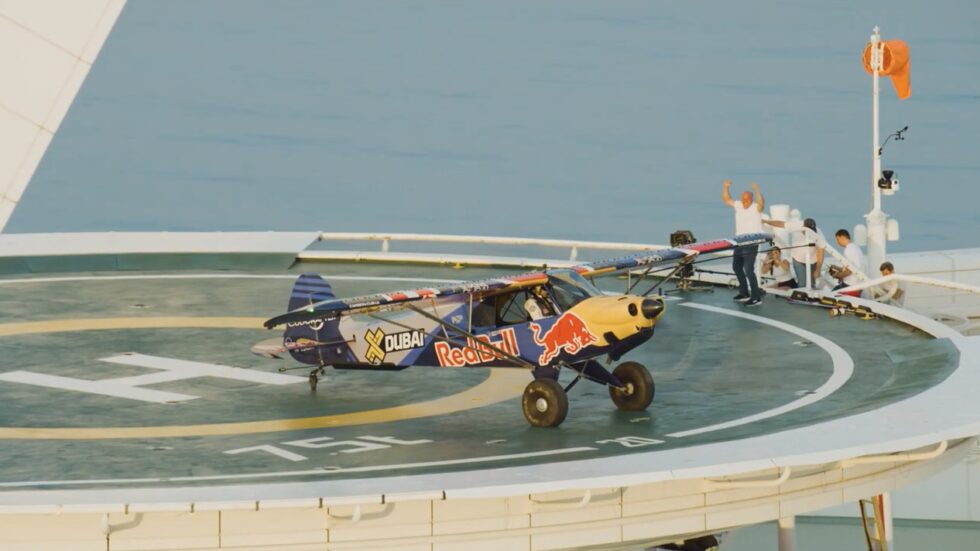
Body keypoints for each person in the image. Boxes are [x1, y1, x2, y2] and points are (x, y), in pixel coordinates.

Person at [721, 179, 764, 306]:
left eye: (747, 199)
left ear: (751, 199)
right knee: (736, 267)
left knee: (749, 269)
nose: (744, 202)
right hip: (739, 241)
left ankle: (756, 297)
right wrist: (725, 187)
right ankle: (744, 292)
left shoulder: (756, 207)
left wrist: (757, 190)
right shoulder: (739, 205)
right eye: (743, 199)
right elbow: (727, 199)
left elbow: (761, 202)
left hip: (751, 242)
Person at [763, 217, 826, 289]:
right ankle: (801, 298)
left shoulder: (819, 234)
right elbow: (781, 224)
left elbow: (821, 252)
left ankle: (811, 298)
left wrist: (818, 270)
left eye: (811, 231)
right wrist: (766, 221)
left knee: (812, 283)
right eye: (807, 231)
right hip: (797, 259)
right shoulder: (796, 225)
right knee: (802, 283)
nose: (809, 233)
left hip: (812, 261)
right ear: (803, 227)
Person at [829, 229, 866, 297]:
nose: (837, 242)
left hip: (851, 285)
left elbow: (849, 271)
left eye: (837, 239)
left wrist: (837, 275)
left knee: (831, 296)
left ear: (842, 237)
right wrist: (836, 268)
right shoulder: (855, 247)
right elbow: (851, 268)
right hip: (858, 283)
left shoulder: (848, 250)